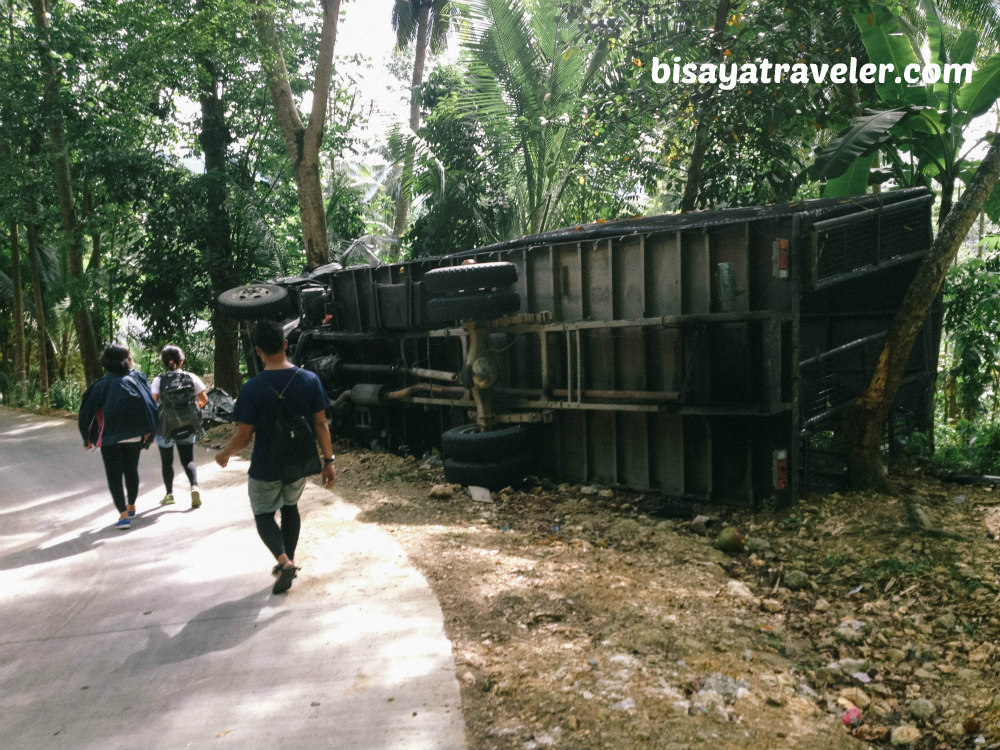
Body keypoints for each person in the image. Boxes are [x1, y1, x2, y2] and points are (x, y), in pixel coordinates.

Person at [215, 319, 337, 594]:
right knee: (290, 508)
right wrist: (328, 461)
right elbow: (321, 424)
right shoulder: (309, 379)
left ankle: (283, 561)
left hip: (265, 466)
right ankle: (289, 560)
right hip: (298, 463)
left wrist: (225, 453)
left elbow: (244, 437)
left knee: (263, 515)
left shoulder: (251, 388)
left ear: (258, 351)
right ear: (285, 344)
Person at [78, 343, 158, 530]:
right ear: (126, 360)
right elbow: (150, 405)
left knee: (114, 476)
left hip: (110, 437)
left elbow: (86, 413)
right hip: (134, 436)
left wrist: (87, 438)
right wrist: (150, 431)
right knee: (131, 470)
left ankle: (123, 516)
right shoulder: (138, 378)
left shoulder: (100, 385)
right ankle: (131, 506)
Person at [151, 345, 209, 509]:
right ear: (181, 360)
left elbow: (153, 402)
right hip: (187, 424)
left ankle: (169, 495)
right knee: (188, 459)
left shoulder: (159, 380)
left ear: (164, 362)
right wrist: (190, 409)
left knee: (167, 461)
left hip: (165, 426)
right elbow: (204, 400)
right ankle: (194, 487)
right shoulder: (191, 377)